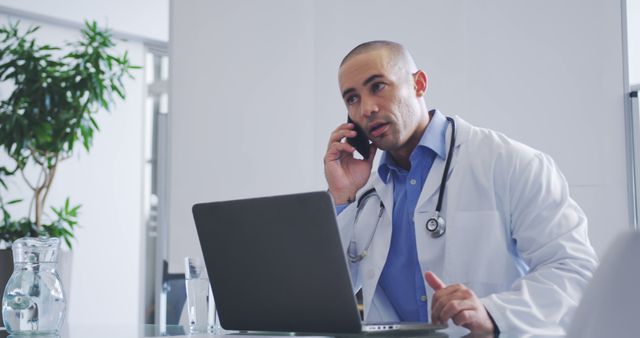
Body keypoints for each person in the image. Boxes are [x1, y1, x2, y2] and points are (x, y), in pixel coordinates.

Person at [323, 40, 598, 334]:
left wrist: (494, 314)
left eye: (378, 86)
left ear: (418, 84)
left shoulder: (509, 163)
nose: (367, 108)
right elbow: (325, 295)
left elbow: (574, 271)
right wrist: (342, 199)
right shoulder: (364, 191)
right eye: (352, 99)